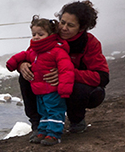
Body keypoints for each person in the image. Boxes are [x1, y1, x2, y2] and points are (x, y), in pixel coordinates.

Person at [16, 0, 109, 134]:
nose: (64, 28)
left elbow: (102, 77)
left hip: (80, 89)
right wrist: (22, 64)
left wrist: (67, 74)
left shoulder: (90, 43)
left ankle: (76, 120)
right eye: (62, 22)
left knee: (78, 87)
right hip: (49, 86)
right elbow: (30, 55)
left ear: (81, 28)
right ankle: (37, 123)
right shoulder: (49, 36)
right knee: (26, 76)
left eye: (70, 25)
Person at [6, 17, 75, 145]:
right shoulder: (34, 50)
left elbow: (66, 70)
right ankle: (43, 131)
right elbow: (22, 55)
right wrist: (13, 63)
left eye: (40, 34)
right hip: (40, 91)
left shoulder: (57, 51)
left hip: (53, 90)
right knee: (43, 111)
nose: (36, 37)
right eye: (34, 34)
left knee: (55, 111)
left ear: (50, 35)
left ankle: (54, 135)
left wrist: (64, 90)